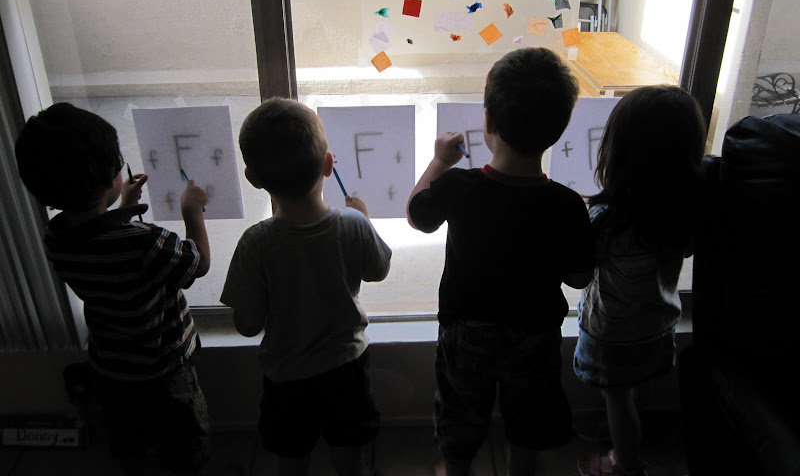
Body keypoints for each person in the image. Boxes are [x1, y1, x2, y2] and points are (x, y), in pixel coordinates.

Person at [406, 47, 595, 476]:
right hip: (534, 335)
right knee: (529, 417)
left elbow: (418, 215)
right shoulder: (566, 205)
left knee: (460, 410)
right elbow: (580, 277)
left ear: (488, 121)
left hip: (465, 332)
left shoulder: (460, 185)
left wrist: (439, 161)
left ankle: (456, 468)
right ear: (558, 129)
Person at [14, 102, 211, 476]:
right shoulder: (144, 241)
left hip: (111, 368)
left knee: (128, 440)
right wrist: (193, 212)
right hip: (163, 370)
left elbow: (99, 238)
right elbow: (196, 263)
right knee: (182, 446)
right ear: (111, 176)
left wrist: (123, 204)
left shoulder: (57, 238)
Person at [221, 97, 391, 476]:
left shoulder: (256, 242)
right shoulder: (352, 224)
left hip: (286, 379)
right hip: (346, 369)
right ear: (328, 165)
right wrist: (364, 219)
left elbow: (247, 325)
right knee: (350, 456)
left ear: (253, 178)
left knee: (291, 458)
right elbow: (378, 270)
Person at [573, 86, 706, 476]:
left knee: (616, 397)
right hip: (658, 323)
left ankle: (625, 462)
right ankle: (623, 427)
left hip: (612, 333)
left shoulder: (606, 220)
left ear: (618, 151)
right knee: (636, 384)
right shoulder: (687, 211)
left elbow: (581, 273)